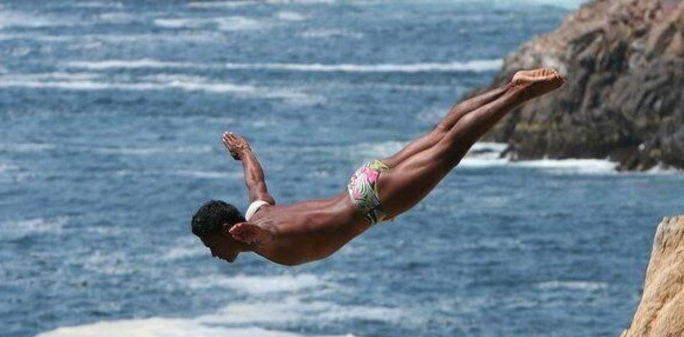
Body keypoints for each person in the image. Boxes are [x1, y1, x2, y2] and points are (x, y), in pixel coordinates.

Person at [191, 68, 565, 266]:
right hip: (362, 181)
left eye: (213, 245)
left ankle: (521, 93)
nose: (215, 254)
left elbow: (256, 234)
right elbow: (255, 180)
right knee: (442, 132)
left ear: (233, 230)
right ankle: (511, 86)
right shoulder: (260, 210)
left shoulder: (257, 237)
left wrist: (248, 234)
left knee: (453, 145)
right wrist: (244, 151)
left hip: (374, 203)